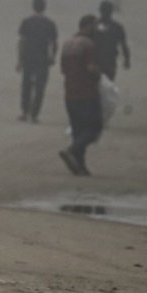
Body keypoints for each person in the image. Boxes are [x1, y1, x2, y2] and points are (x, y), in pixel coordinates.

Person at [59, 15, 103, 176]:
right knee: (94, 128)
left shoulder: (68, 44)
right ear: (88, 26)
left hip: (70, 94)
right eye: (94, 26)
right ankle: (72, 151)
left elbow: (63, 70)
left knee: (78, 131)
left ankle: (80, 167)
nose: (96, 30)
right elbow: (91, 68)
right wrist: (100, 76)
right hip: (86, 94)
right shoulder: (89, 44)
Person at [17, 0, 58, 123]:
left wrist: (20, 59)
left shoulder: (27, 22)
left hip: (28, 57)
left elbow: (22, 42)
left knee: (26, 85)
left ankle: (24, 112)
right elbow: (54, 43)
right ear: (44, 8)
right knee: (40, 86)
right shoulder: (50, 24)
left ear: (33, 7)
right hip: (43, 58)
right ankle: (35, 114)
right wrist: (52, 57)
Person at [93, 0, 130, 81]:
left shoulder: (93, 25)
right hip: (108, 62)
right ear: (112, 11)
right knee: (107, 86)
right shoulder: (117, 27)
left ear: (100, 10)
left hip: (96, 62)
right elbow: (124, 45)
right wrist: (127, 59)